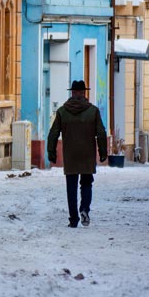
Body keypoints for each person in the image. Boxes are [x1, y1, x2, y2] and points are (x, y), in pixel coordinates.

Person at [47, 80, 107, 228]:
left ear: (72, 93)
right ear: (84, 93)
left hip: (70, 154)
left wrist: (51, 152)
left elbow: (53, 133)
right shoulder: (93, 111)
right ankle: (85, 209)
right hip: (87, 154)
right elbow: (101, 133)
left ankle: (73, 219)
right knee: (87, 183)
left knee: (71, 186)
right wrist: (103, 151)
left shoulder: (62, 111)